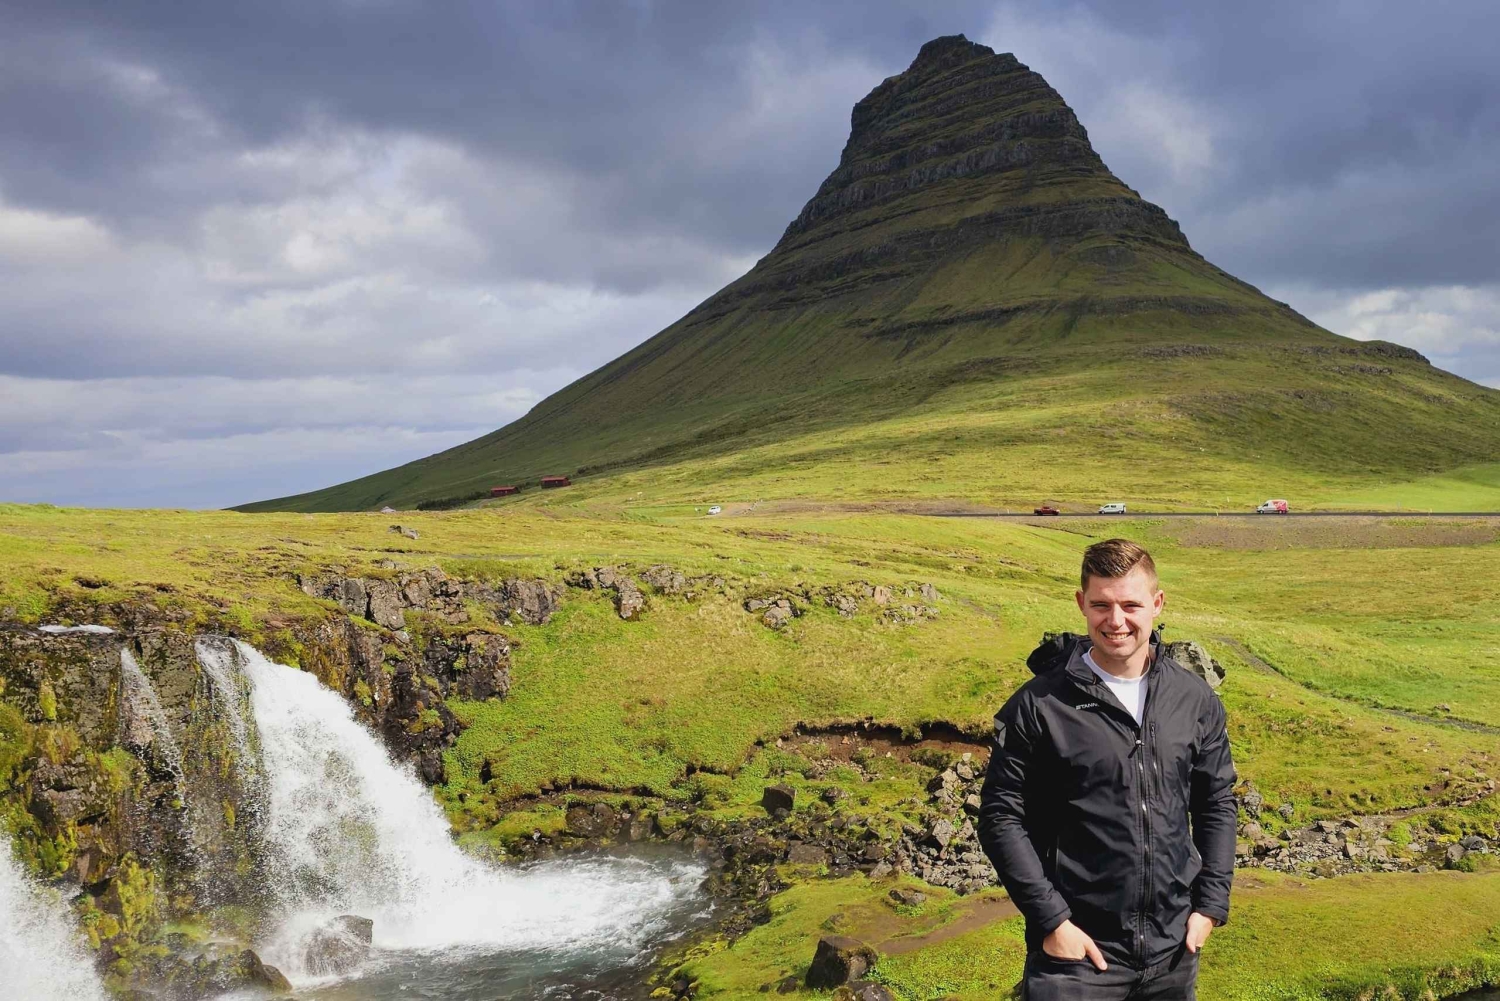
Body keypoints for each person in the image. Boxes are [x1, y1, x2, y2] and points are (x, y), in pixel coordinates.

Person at [978, 539, 1236, 999]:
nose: (1115, 621)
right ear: (1081, 604)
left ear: (1157, 604)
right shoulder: (1039, 706)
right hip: (1076, 958)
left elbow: (1216, 803)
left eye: (1130, 605)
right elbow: (1001, 817)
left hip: (1174, 952)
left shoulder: (1194, 700)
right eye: (1101, 605)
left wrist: (1210, 906)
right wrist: (1052, 921)